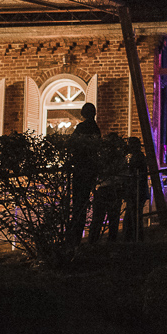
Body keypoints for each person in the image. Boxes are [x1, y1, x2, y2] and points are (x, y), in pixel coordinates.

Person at [68, 102, 101, 244]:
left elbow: (72, 144)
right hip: (90, 169)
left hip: (81, 169)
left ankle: (75, 236)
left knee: (78, 203)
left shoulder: (82, 127)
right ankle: (79, 234)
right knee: (83, 200)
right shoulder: (96, 129)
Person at [123, 136, 150, 242]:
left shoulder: (138, 157)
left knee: (134, 215)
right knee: (132, 215)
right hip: (136, 189)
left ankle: (135, 237)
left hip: (137, 190)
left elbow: (135, 171)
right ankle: (132, 237)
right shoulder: (137, 156)